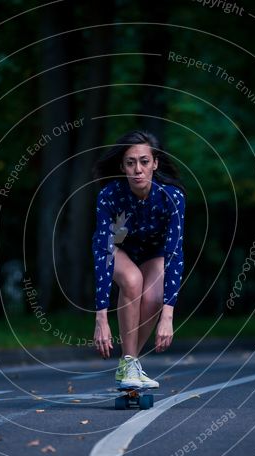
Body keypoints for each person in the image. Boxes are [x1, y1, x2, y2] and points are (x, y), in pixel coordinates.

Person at [91, 130, 186, 390]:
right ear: (122, 166)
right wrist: (101, 318)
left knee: (154, 297)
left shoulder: (172, 197)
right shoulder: (110, 195)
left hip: (154, 252)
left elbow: (174, 253)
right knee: (132, 281)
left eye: (144, 161)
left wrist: (168, 315)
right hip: (118, 250)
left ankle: (128, 362)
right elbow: (103, 252)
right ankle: (130, 364)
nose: (138, 169)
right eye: (130, 162)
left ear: (155, 163)